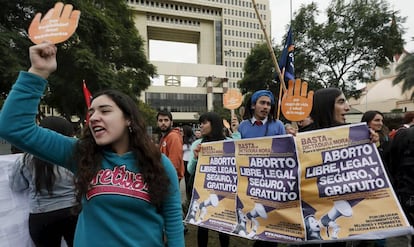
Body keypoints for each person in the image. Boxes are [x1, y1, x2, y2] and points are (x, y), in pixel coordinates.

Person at [0, 42, 184, 246]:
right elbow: (13, 127)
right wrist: (38, 72)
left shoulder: (159, 163)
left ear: (128, 119)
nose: (94, 117)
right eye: (92, 112)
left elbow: (173, 219)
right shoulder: (81, 154)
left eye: (105, 111)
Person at [297, 88, 378, 247]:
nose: (347, 107)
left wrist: (370, 144)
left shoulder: (353, 135)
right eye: (341, 102)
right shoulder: (300, 139)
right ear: (326, 106)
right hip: (306, 221)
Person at [9, 116, 78, 247]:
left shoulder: (26, 158)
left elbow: (16, 186)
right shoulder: (74, 156)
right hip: (74, 211)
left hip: (41, 215)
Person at [238, 89, 285, 247]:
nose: (266, 107)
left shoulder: (278, 126)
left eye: (268, 104)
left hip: (272, 181)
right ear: (253, 105)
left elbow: (286, 153)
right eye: (262, 103)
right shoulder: (242, 127)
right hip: (250, 182)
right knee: (256, 221)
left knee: (270, 223)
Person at [187, 112, 240, 247]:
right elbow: (190, 170)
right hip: (203, 191)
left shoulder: (229, 143)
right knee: (202, 223)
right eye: (200, 123)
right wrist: (195, 157)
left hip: (223, 192)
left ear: (214, 124)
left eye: (204, 123)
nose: (201, 126)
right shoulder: (198, 144)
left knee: (223, 225)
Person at [157, 110, 185, 181]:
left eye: (166, 120)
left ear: (171, 123)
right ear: (157, 123)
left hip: (170, 178)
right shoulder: (164, 137)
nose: (163, 123)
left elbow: (174, 162)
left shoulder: (173, 136)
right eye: (160, 120)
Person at [182, 125, 195, 201]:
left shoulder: (193, 140)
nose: (181, 132)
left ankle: (191, 195)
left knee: (191, 179)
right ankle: (188, 197)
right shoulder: (181, 139)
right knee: (186, 180)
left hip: (191, 161)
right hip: (184, 161)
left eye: (183, 131)